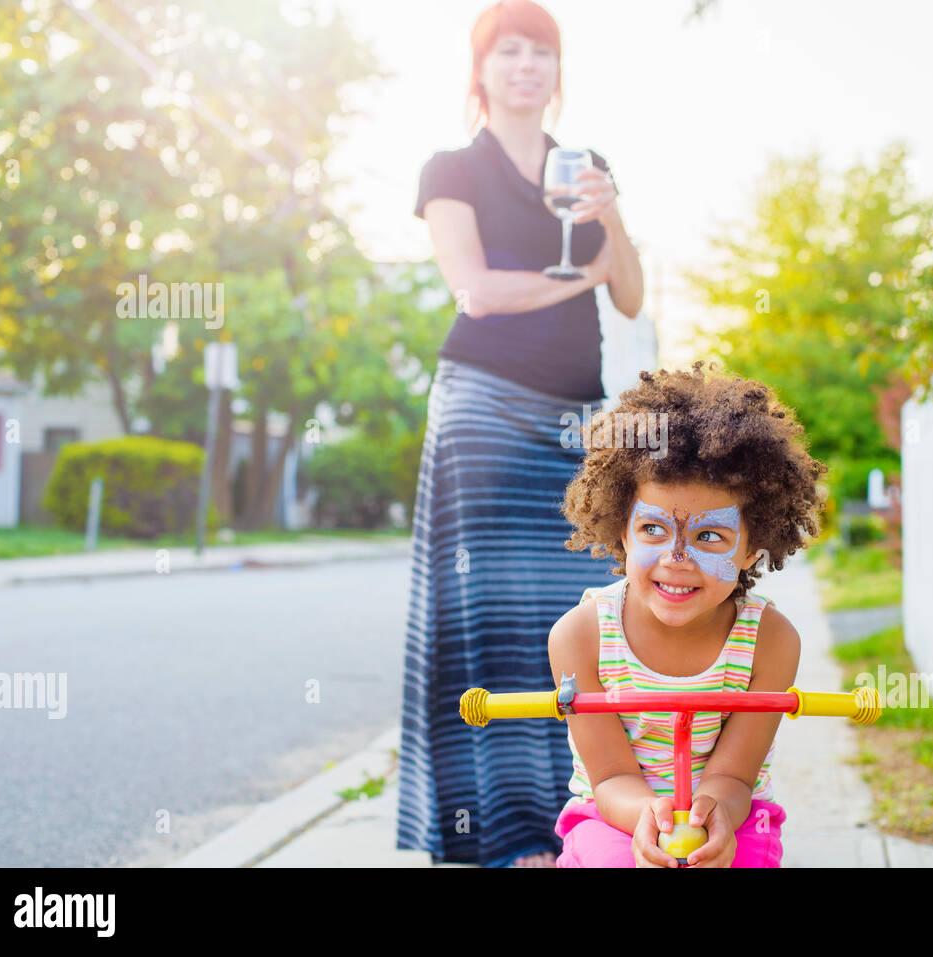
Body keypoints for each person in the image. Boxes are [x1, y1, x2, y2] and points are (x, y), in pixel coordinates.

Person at [395, 0, 644, 868]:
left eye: (542, 51)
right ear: (482, 69)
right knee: (486, 624)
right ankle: (492, 840)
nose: (526, 64)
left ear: (557, 70)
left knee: (576, 624)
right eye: (509, 50)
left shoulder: (587, 167)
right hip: (483, 411)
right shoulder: (451, 169)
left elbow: (632, 295)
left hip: (577, 420)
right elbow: (476, 292)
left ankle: (573, 828)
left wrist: (610, 220)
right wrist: (577, 271)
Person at [548, 363, 829, 867]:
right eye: (653, 529)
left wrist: (710, 814)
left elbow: (735, 776)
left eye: (709, 536)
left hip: (731, 810)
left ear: (752, 547)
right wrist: (649, 818)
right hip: (614, 812)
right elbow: (611, 777)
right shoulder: (581, 635)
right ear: (622, 532)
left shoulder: (770, 640)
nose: (678, 558)